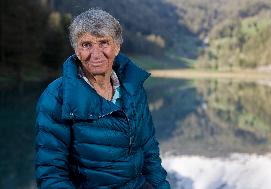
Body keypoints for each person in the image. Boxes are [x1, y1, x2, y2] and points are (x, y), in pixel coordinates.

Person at [35, 8, 170, 189]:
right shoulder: (56, 96)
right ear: (76, 50)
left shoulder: (133, 88)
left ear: (117, 47)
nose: (96, 54)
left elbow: (149, 151)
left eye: (104, 43)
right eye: (86, 45)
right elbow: (51, 172)